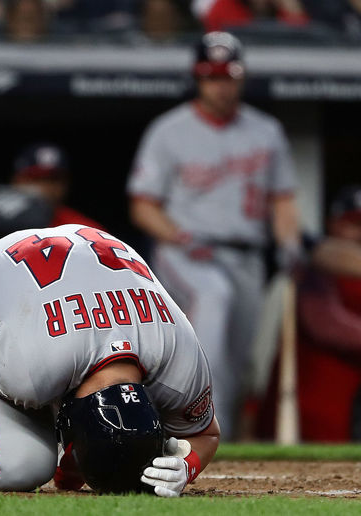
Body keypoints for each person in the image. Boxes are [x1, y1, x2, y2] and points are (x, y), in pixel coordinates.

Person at [0, 224, 220, 495]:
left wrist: (186, 467)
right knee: (19, 463)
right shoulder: (29, 372)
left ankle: (68, 450)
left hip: (67, 263)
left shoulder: (183, 362)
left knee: (43, 396)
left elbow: (205, 435)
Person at [126, 31, 301, 439]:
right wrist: (181, 237)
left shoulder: (266, 131)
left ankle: (221, 433)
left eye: (229, 76)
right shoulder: (169, 131)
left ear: (241, 78)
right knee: (213, 303)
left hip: (249, 257)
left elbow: (283, 200)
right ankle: (198, 431)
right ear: (198, 78)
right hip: (188, 250)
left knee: (239, 360)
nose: (221, 86)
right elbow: (143, 206)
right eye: (212, 77)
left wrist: (289, 243)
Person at [295, 186, 361, 441]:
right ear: (333, 224)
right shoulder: (318, 262)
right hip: (321, 402)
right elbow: (325, 324)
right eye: (355, 224)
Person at [11, 143, 105, 231]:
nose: (45, 187)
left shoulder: (84, 230)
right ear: (16, 180)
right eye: (35, 178)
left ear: (66, 184)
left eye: (53, 179)